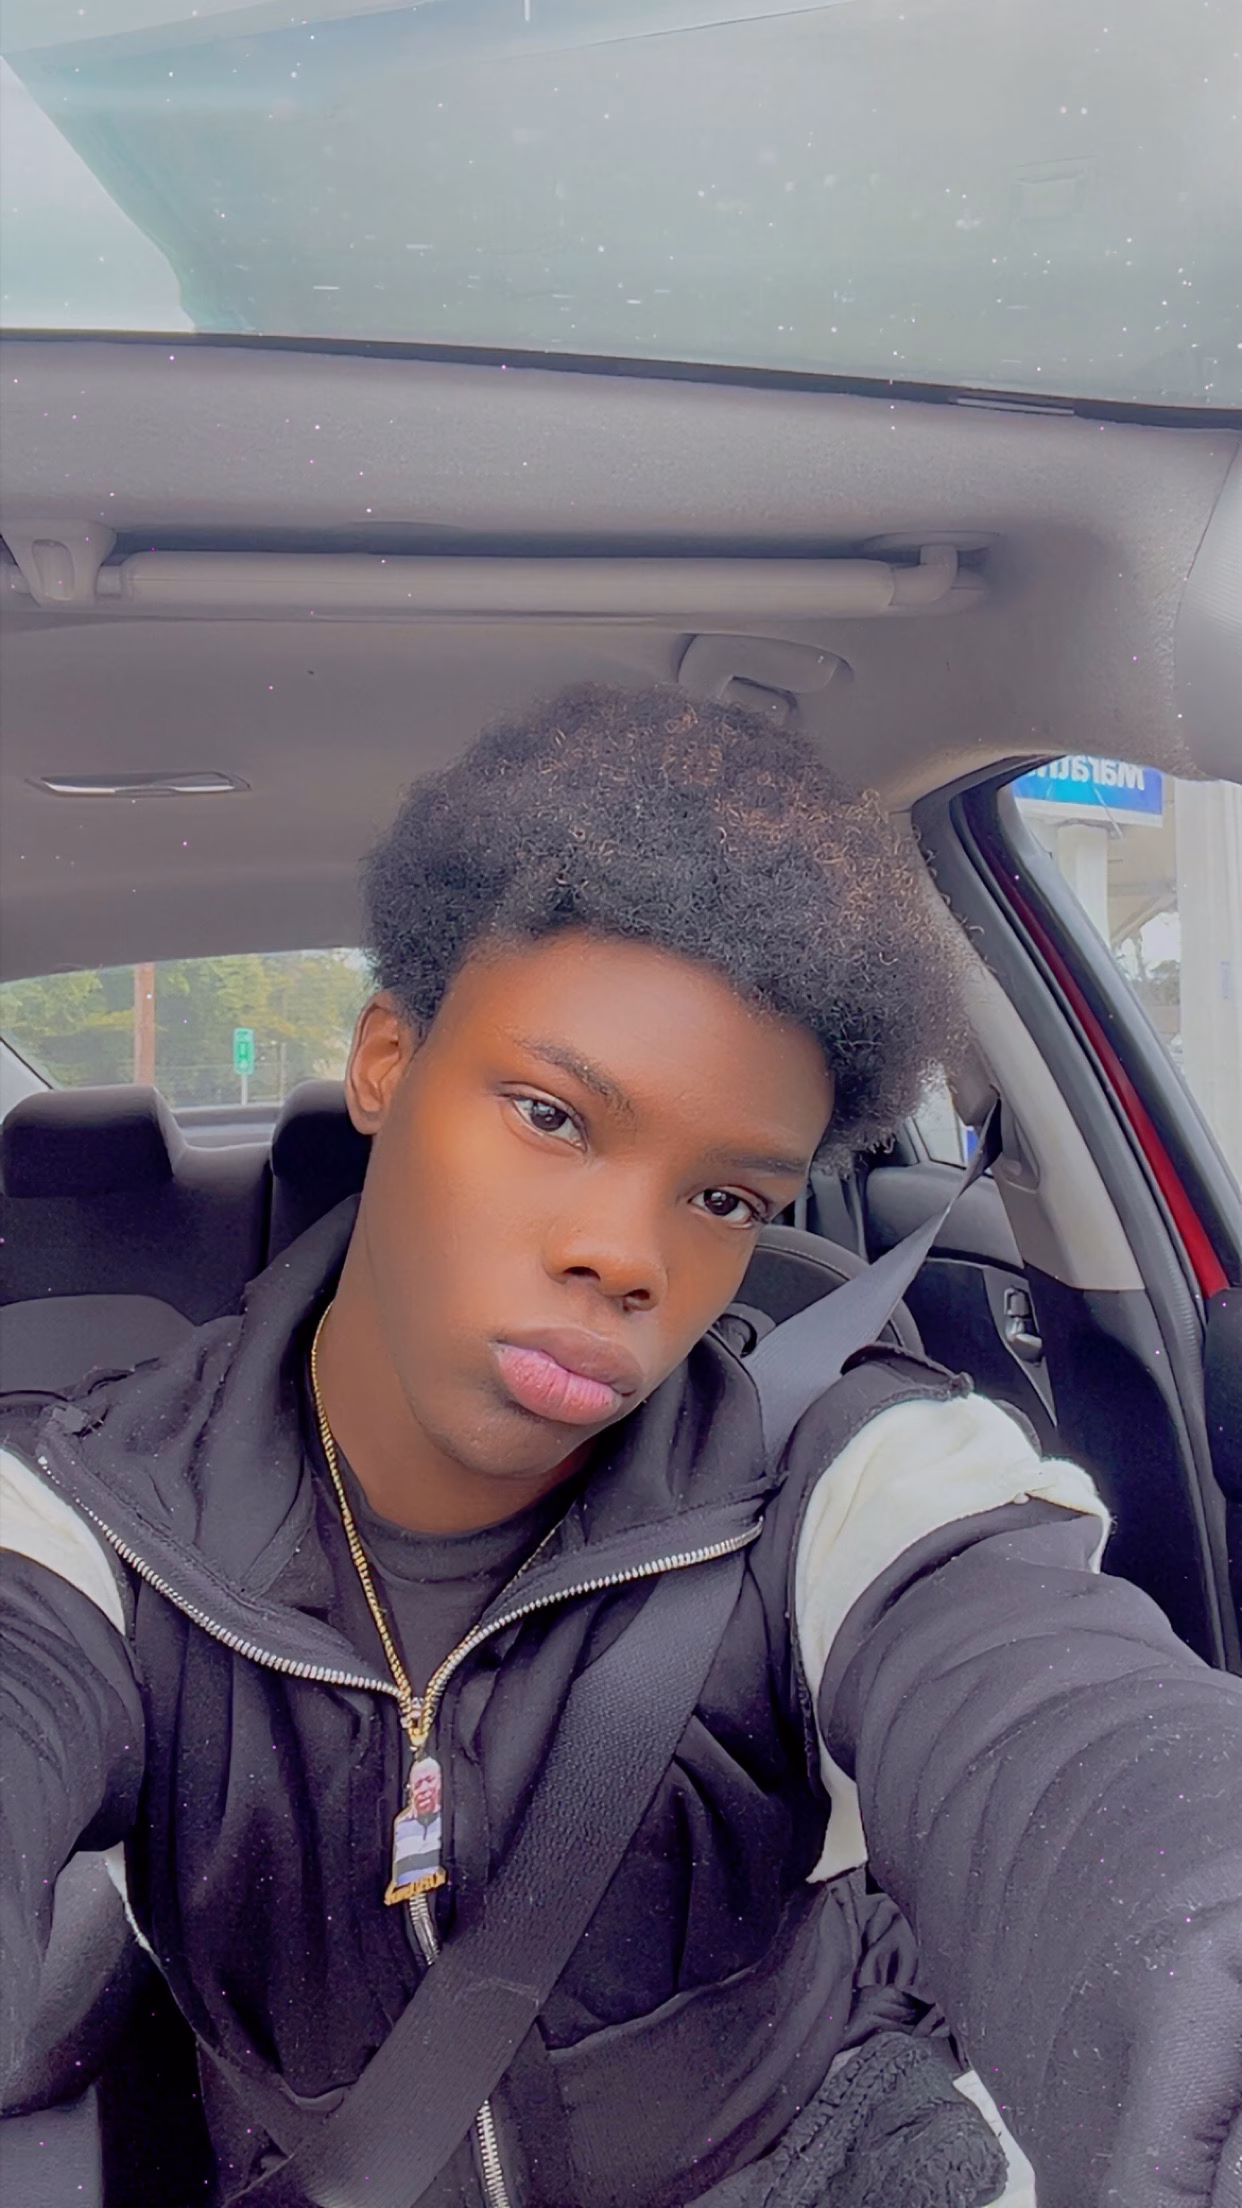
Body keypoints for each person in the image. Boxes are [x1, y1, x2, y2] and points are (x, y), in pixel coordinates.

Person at [2, 685, 1240, 2208]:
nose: (626, 1254)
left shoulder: (840, 1483)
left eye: (725, 1199)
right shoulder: (92, 1519)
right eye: (551, 1115)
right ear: (385, 1061)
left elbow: (1076, 1744)